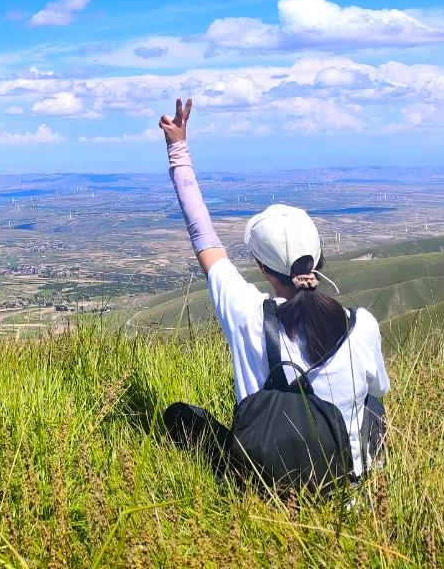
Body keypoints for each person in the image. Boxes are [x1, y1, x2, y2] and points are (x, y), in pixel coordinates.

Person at [159, 97, 389, 483]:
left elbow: (202, 234)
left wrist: (178, 148)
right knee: (374, 406)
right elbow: (377, 388)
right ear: (318, 259)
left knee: (180, 417)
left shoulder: (246, 313)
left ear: (262, 267)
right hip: (342, 490)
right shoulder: (361, 324)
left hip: (260, 484)